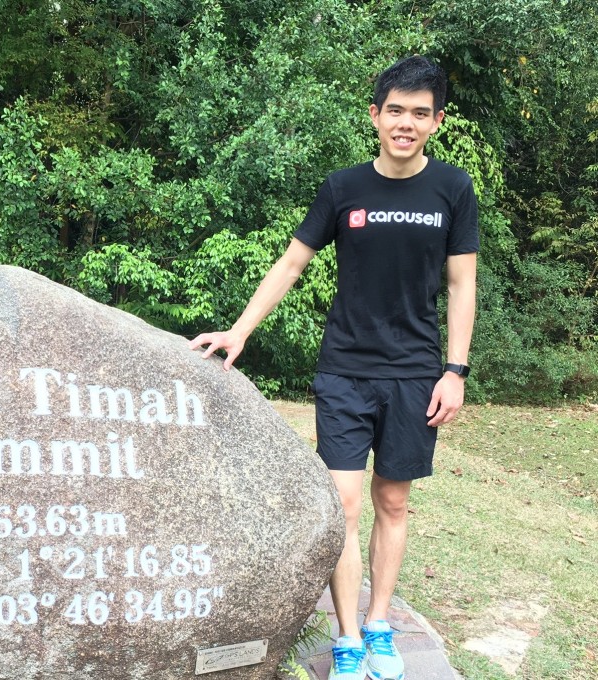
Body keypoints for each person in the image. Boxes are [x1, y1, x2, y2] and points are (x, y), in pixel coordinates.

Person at [189, 55, 478, 680]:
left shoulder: (452, 190)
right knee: (344, 503)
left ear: (437, 121)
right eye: (395, 110)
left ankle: (380, 628)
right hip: (345, 369)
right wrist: (240, 331)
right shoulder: (343, 188)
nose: (406, 123)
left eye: (419, 113)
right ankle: (348, 639)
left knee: (393, 502)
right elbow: (291, 264)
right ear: (375, 115)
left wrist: (455, 369)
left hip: (415, 374)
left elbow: (461, 285)